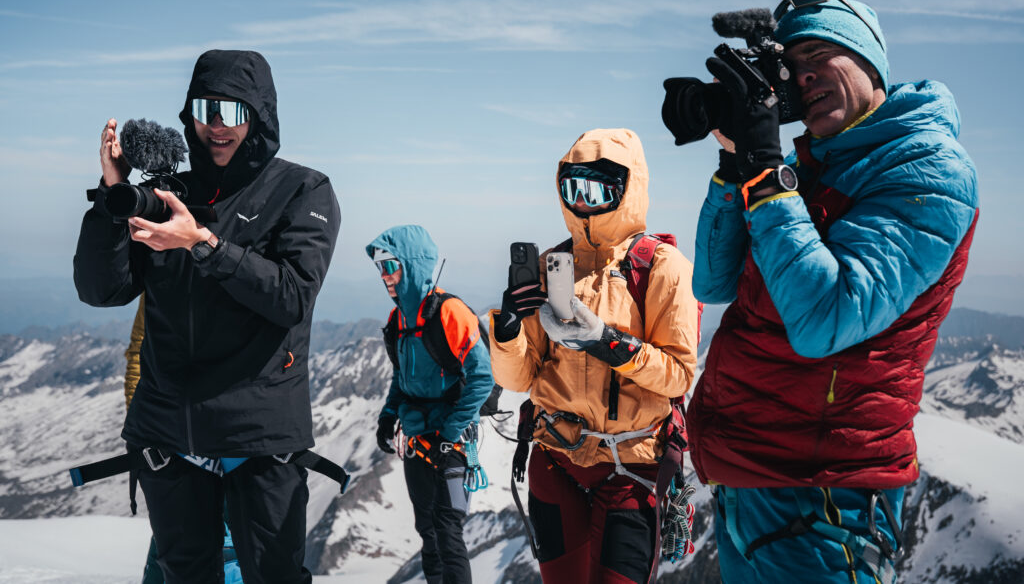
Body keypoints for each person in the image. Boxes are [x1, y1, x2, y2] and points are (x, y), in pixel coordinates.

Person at [685, 0, 979, 584]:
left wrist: (767, 173)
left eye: (820, 54)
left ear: (870, 60)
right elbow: (713, 281)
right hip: (750, 477)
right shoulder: (814, 162)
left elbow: (826, 320)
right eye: (792, 68)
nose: (805, 77)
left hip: (825, 500)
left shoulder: (929, 167)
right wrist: (737, 161)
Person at [74, 49, 341, 584]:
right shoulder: (169, 192)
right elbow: (101, 290)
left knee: (274, 577)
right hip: (168, 438)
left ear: (259, 116)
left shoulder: (303, 190)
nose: (216, 125)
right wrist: (112, 197)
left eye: (233, 112)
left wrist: (203, 245)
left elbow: (291, 296)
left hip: (259, 438)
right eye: (204, 108)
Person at [489, 128, 700, 584]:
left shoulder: (662, 267)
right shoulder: (553, 265)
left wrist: (606, 342)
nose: (582, 203)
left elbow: (679, 375)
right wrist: (507, 330)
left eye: (598, 190)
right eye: (572, 189)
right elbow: (520, 378)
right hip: (555, 454)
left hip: (633, 464)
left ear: (628, 189)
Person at [368, 224, 494, 584]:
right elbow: (401, 378)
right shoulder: (399, 319)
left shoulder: (449, 312)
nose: (385, 276)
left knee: (447, 531)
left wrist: (449, 434)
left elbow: (482, 378)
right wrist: (387, 417)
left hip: (450, 440)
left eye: (391, 266)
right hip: (417, 438)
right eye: (380, 268)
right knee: (428, 531)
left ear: (411, 264)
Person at [124, 296, 244, 584]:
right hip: (178, 439)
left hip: (233, 437)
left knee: (187, 544)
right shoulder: (166, 262)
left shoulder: (253, 267)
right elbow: (142, 350)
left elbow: (139, 353)